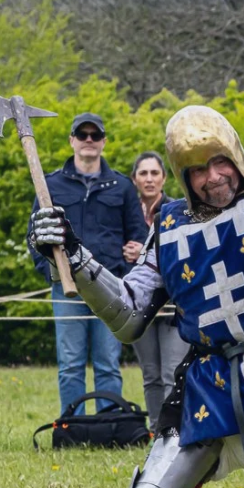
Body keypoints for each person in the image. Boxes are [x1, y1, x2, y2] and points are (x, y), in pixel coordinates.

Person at [30, 103, 244, 488]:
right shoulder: (169, 226)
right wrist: (75, 255)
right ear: (183, 176)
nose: (212, 177)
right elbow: (129, 313)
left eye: (220, 162)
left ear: (235, 155)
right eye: (198, 170)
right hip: (209, 384)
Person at [33, 113, 149, 416]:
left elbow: (138, 235)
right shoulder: (49, 185)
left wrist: (132, 263)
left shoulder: (122, 186)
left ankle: (108, 424)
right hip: (67, 286)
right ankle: (72, 426)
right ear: (71, 140)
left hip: (110, 287)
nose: (88, 140)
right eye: (82, 135)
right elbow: (34, 236)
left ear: (103, 142)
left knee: (107, 363)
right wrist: (50, 273)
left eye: (94, 135)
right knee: (70, 364)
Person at [126, 150, 189, 424]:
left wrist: (146, 252)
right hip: (140, 304)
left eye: (154, 173)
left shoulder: (177, 211)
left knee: (172, 372)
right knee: (150, 374)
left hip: (173, 303)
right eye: (143, 173)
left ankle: (172, 430)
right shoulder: (126, 214)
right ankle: (155, 430)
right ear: (135, 179)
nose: (149, 179)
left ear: (164, 178)